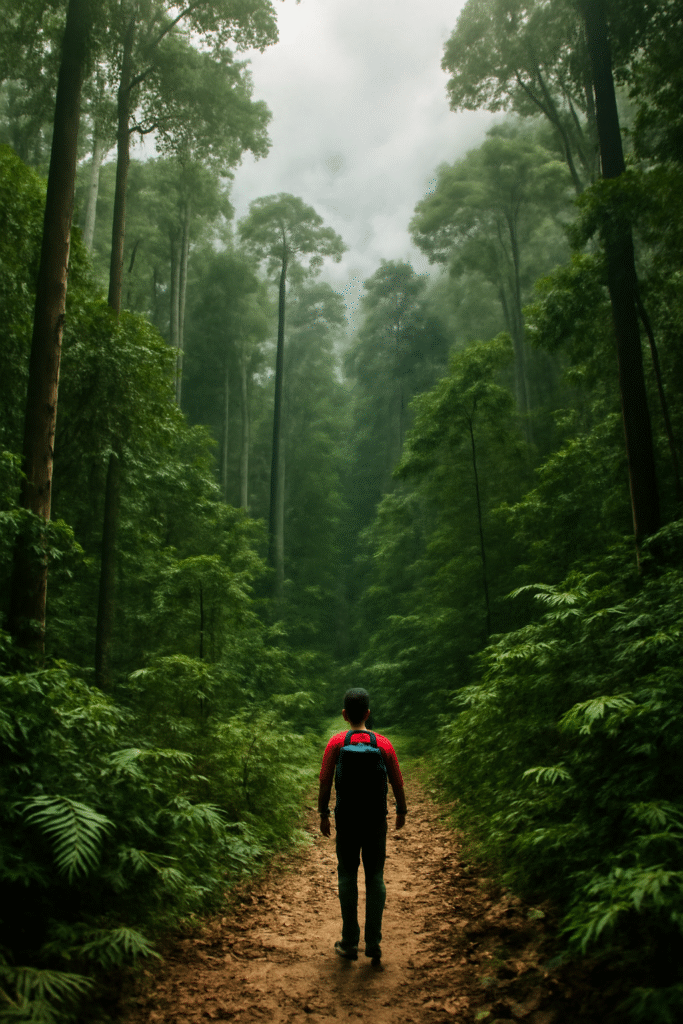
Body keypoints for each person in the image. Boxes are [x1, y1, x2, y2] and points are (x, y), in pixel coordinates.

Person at [318, 687, 407, 965]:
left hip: (346, 819)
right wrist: (401, 810)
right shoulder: (383, 743)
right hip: (375, 819)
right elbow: (397, 780)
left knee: (347, 875)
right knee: (375, 877)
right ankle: (373, 943)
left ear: (344, 714)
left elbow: (324, 780)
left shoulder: (336, 743)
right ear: (368, 713)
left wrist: (323, 812)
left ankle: (349, 942)